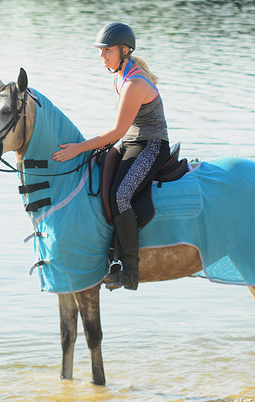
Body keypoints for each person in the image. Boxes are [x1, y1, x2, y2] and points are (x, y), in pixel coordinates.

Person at [52, 22, 170, 291]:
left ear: (125, 50)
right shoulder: (118, 75)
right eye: (100, 50)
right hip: (130, 141)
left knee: (120, 195)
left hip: (151, 145)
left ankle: (129, 271)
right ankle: (105, 252)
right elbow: (122, 131)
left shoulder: (135, 82)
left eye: (107, 50)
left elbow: (116, 129)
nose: (102, 55)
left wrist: (78, 147)